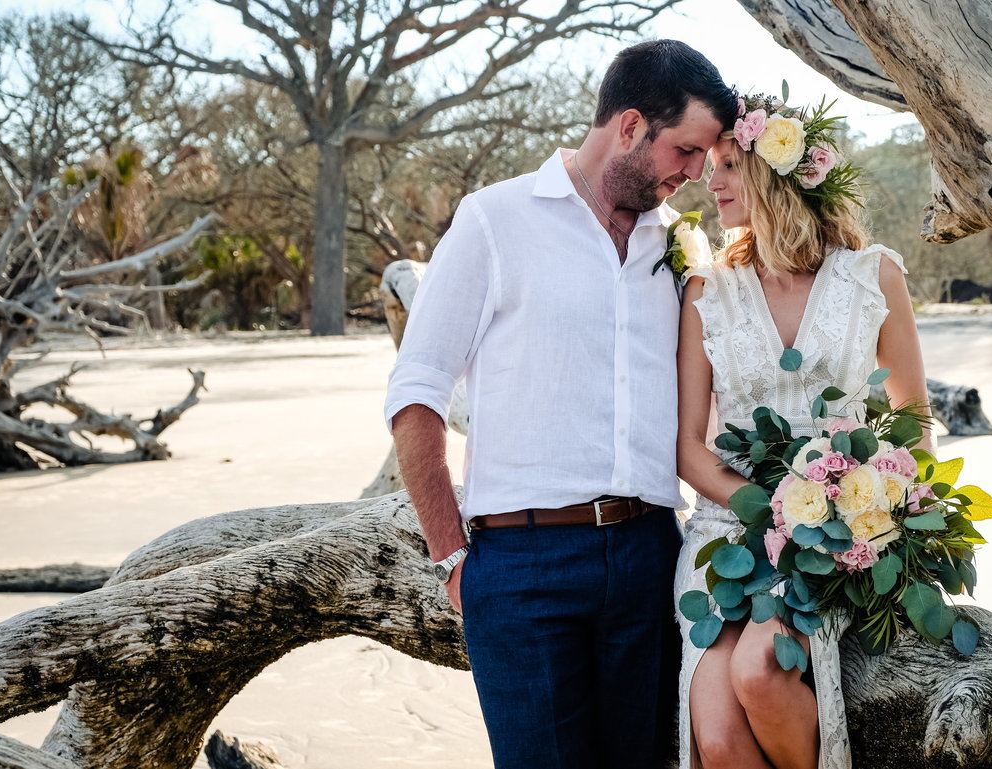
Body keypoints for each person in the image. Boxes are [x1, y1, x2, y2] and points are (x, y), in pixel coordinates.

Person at [384, 40, 739, 769]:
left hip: (650, 556)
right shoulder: (493, 220)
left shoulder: (674, 244)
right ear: (632, 126)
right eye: (687, 150)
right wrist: (452, 555)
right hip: (522, 566)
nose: (696, 172)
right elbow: (417, 391)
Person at [674, 90, 936, 769]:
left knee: (761, 671)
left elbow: (913, 425)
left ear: (776, 168)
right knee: (719, 737)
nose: (712, 178)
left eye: (728, 163)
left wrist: (888, 510)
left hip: (831, 531)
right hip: (722, 532)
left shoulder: (872, 275)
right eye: (708, 163)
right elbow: (688, 448)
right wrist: (764, 507)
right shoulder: (708, 290)